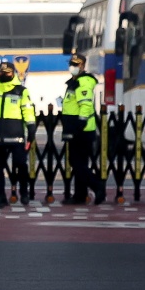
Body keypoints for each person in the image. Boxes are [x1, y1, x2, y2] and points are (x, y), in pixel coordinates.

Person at [0, 61, 32, 208]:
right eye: (2, 72)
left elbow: (28, 112)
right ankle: (0, 196)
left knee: (21, 165)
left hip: (16, 136)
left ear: (13, 73)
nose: (4, 75)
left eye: (7, 73)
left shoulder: (21, 91)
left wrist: (31, 131)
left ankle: (24, 193)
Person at [60, 53, 105, 205]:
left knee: (77, 163)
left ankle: (98, 186)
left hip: (81, 130)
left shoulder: (83, 82)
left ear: (83, 66)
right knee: (79, 164)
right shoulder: (75, 82)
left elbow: (85, 105)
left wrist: (80, 124)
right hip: (75, 129)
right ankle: (80, 195)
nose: (73, 67)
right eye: (72, 64)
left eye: (77, 64)